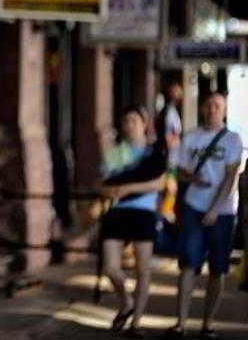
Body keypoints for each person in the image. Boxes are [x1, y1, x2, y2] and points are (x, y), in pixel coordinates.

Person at [165, 91, 243, 340]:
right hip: (192, 206)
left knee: (217, 269)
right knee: (188, 264)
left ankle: (207, 324)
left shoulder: (232, 140)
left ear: (225, 110)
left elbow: (231, 177)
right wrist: (191, 177)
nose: (212, 110)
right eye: (208, 105)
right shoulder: (190, 137)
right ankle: (180, 324)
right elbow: (178, 170)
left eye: (217, 106)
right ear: (201, 108)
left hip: (222, 211)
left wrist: (215, 209)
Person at [99, 104, 167, 339]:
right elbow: (106, 189)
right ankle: (126, 301)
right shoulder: (116, 154)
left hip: (144, 213)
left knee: (143, 269)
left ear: (144, 124)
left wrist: (126, 187)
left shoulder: (152, 153)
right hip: (118, 213)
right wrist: (119, 190)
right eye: (126, 121)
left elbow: (159, 184)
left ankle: (136, 321)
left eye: (134, 121)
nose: (129, 126)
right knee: (110, 268)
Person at [156, 80, 184, 224]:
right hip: (168, 158)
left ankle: (164, 216)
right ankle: (163, 219)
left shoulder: (172, 110)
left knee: (170, 190)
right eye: (175, 90)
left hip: (171, 157)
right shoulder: (168, 111)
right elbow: (168, 136)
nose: (178, 93)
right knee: (169, 189)